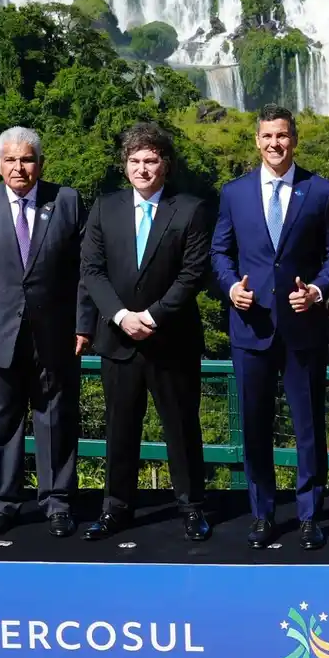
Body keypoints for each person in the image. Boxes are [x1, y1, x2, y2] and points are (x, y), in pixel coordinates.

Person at [211, 105, 329, 550]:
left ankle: (309, 515)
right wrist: (231, 289)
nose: (275, 144)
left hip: (302, 329)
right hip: (251, 327)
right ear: (256, 140)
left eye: (283, 136)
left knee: (308, 427)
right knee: (254, 426)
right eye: (268, 136)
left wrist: (318, 290)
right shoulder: (234, 193)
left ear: (295, 139)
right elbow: (220, 253)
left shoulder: (321, 191)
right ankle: (263, 513)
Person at [0, 127, 94, 539]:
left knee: (56, 421)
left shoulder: (66, 201)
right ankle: (4, 504)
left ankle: (57, 502)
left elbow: (86, 270)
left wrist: (84, 325)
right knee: (0, 425)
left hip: (56, 335)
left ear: (40, 163)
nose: (19, 167)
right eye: (11, 160)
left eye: (27, 159)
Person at [79, 122, 213, 542]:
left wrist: (151, 317)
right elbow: (92, 270)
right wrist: (121, 316)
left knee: (182, 429)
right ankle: (115, 508)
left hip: (171, 340)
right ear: (125, 166)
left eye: (150, 161)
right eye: (134, 161)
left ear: (165, 165)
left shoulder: (190, 208)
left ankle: (192, 507)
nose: (142, 168)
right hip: (118, 340)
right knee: (119, 430)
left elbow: (193, 275)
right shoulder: (105, 207)